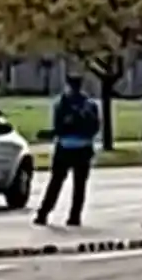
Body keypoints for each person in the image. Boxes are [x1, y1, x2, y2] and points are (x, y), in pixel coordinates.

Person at [34, 74, 100, 226]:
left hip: (64, 147)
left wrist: (51, 132)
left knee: (55, 183)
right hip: (83, 148)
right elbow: (95, 128)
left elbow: (59, 128)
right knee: (79, 186)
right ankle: (74, 217)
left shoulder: (61, 104)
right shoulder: (89, 105)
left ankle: (43, 213)